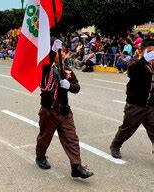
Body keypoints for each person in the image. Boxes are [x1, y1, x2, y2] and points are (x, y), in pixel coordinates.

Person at [35, 39, 94, 179]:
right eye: (59, 52)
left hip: (65, 110)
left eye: (64, 52)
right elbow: (47, 65)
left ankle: (76, 167)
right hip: (49, 110)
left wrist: (69, 85)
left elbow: (77, 87)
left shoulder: (66, 68)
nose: (62, 55)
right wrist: (53, 50)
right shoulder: (45, 67)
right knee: (45, 137)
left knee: (72, 138)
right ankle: (40, 156)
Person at [110, 39, 154, 159]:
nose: (152, 55)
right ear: (141, 51)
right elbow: (131, 71)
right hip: (135, 106)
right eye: (149, 52)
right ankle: (115, 145)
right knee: (127, 128)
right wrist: (144, 60)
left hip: (150, 106)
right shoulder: (136, 64)